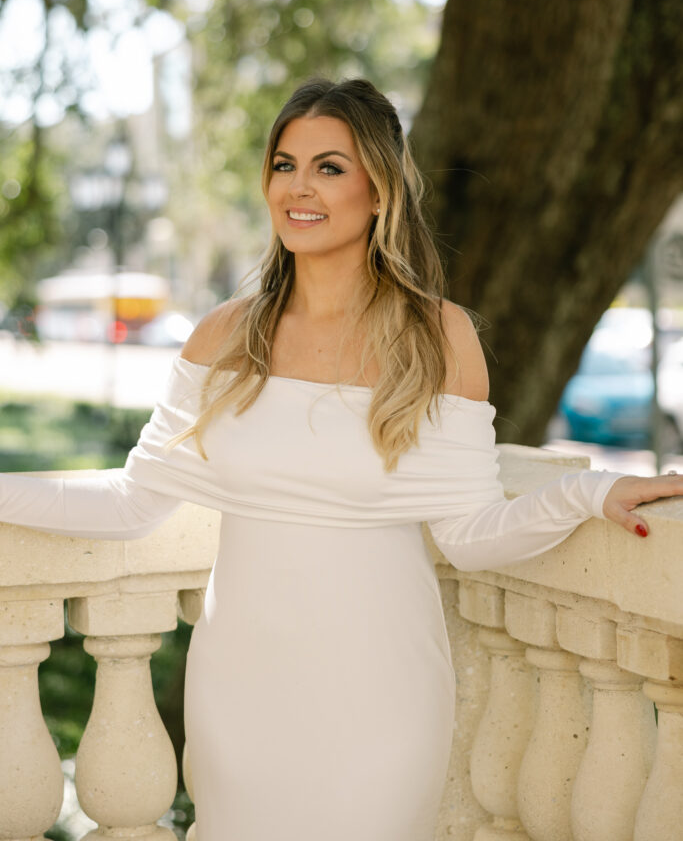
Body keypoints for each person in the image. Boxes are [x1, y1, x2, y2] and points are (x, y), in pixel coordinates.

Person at [0, 77, 680, 841]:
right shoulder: (222, 337)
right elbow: (131, 504)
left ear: (379, 189)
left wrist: (590, 496)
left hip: (382, 691)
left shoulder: (437, 335)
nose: (299, 187)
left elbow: (469, 533)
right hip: (239, 687)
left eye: (329, 167)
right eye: (284, 164)